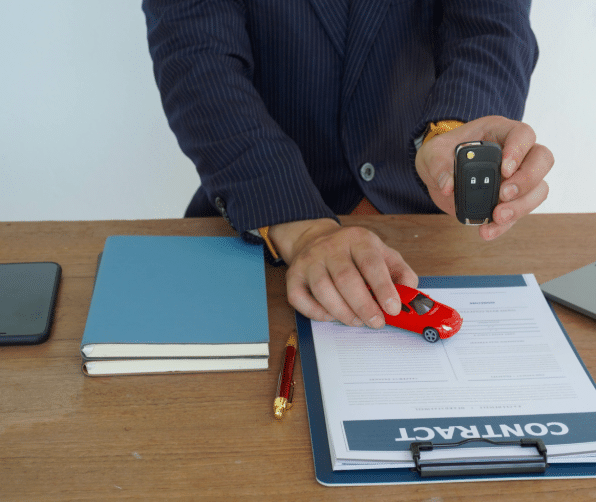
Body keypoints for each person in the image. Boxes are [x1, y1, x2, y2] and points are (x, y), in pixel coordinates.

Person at [142, 0, 553, 329]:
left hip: (431, 233)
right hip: (258, 221)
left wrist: (453, 134)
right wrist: (300, 225)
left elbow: (492, 27)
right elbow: (198, 61)